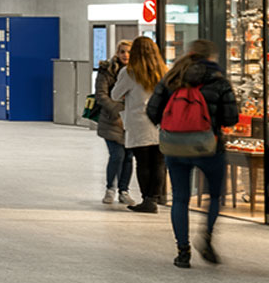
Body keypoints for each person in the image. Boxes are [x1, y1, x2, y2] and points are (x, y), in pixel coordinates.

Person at [148, 39, 242, 268]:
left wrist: (172, 126)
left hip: (175, 147)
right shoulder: (219, 82)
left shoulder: (171, 79)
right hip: (209, 147)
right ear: (211, 57)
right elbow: (231, 118)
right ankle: (207, 238)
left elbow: (152, 110)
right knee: (215, 196)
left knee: (180, 198)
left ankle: (183, 251)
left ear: (188, 53)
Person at [104, 37, 168, 214]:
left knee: (143, 163)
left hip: (139, 122)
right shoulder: (164, 71)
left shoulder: (129, 72)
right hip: (161, 122)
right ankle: (154, 198)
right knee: (159, 163)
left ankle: (147, 200)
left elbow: (115, 95)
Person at [92, 44, 132, 205]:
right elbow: (101, 95)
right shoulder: (106, 71)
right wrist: (117, 109)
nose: (125, 55)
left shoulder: (137, 71)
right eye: (122, 52)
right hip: (111, 119)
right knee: (117, 155)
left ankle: (124, 191)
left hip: (131, 120)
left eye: (129, 52)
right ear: (117, 53)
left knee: (128, 157)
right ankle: (110, 189)